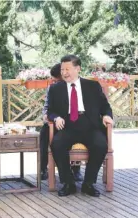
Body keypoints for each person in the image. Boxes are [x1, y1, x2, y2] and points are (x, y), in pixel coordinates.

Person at [47, 55, 113, 197]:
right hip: (67, 125)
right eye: (62, 69)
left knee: (101, 144)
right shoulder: (55, 89)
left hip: (89, 124)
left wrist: (107, 115)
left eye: (67, 69)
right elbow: (50, 111)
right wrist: (56, 117)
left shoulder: (92, 86)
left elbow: (105, 107)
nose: (64, 72)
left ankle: (88, 183)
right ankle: (68, 183)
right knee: (57, 144)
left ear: (78, 69)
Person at [40, 63, 82, 181]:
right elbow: (47, 107)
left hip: (72, 123)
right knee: (44, 133)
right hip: (55, 122)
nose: (56, 83)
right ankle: (43, 168)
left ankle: (76, 169)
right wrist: (46, 115)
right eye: (54, 81)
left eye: (57, 80)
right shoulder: (53, 88)